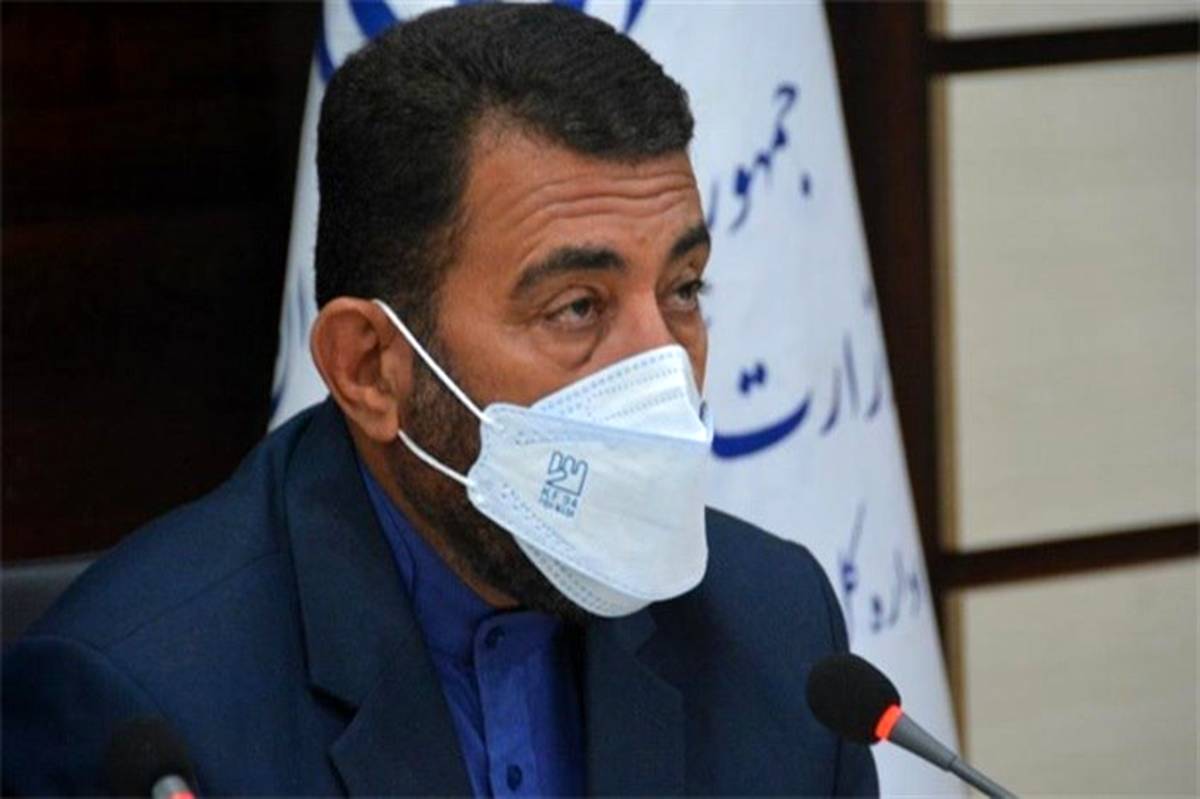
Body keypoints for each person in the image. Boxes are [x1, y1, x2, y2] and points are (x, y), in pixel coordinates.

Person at [2, 4, 877, 795]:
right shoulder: (143, 715)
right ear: (370, 368)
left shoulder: (776, 632)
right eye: (577, 306)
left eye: (684, 288)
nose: (665, 367)